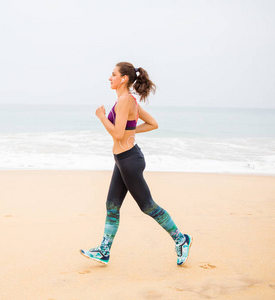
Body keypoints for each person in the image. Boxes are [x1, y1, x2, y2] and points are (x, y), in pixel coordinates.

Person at [80, 62, 192, 266]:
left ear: (123, 79)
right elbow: (152, 124)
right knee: (112, 205)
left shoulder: (124, 100)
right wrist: (130, 132)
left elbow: (117, 133)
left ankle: (181, 239)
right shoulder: (129, 100)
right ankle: (104, 251)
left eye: (113, 74)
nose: (109, 78)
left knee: (148, 206)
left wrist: (102, 117)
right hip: (123, 160)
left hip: (129, 161)